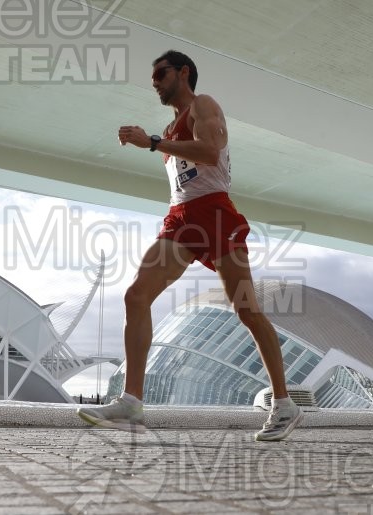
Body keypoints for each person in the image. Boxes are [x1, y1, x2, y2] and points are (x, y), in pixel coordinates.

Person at [77, 50, 303, 441]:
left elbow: (210, 152)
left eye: (160, 75)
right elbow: (184, 172)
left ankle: (284, 404)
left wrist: (152, 142)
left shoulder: (204, 105)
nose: (155, 83)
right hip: (180, 219)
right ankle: (131, 402)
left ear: (183, 73)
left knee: (246, 310)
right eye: (153, 79)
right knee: (136, 296)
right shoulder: (169, 128)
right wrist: (158, 141)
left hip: (215, 214)